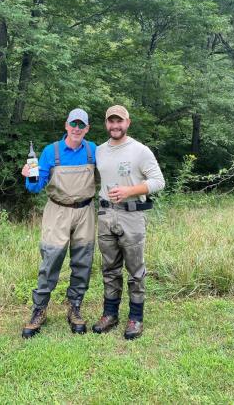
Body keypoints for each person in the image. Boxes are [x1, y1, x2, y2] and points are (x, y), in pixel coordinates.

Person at [21, 108, 96, 338]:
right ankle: (39, 310)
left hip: (86, 211)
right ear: (66, 125)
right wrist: (28, 175)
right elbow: (34, 187)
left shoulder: (94, 150)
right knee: (50, 261)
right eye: (73, 124)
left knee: (83, 262)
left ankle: (74, 308)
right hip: (57, 211)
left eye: (81, 125)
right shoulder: (49, 152)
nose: (76, 128)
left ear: (87, 129)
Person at [92, 105, 165, 340]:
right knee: (109, 268)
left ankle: (135, 317)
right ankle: (110, 314)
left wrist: (129, 190)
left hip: (132, 215)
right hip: (105, 216)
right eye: (111, 121)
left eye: (119, 121)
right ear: (106, 124)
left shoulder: (140, 151)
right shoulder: (100, 151)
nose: (115, 125)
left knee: (135, 270)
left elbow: (158, 181)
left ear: (128, 123)